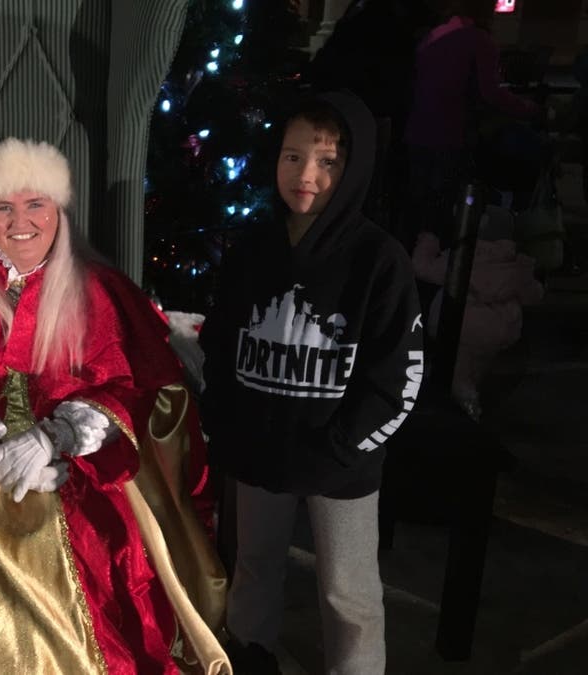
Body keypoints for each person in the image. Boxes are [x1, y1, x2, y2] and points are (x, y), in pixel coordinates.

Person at [0, 138, 227, 674]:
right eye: (4, 207)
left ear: (58, 209)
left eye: (36, 204)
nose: (20, 222)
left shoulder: (98, 287)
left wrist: (58, 436)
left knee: (90, 549)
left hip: (79, 468)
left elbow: (134, 383)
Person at [200, 93, 423, 675]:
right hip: (259, 453)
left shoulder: (379, 260)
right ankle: (250, 656)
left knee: (348, 590)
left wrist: (343, 447)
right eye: (293, 156)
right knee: (254, 564)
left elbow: (397, 375)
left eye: (327, 162)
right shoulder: (252, 249)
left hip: (341, 463)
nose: (306, 175)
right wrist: (225, 424)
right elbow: (220, 343)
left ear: (354, 169)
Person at [403, 0, 542, 248]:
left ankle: (414, 259)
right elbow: (490, 93)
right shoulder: (478, 40)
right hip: (451, 133)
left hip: (417, 131)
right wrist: (530, 109)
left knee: (420, 207)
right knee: (446, 210)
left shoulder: (434, 36)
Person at [412, 209, 543, 419]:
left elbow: (422, 268)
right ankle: (469, 393)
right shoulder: (516, 265)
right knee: (477, 364)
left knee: (460, 366)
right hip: (500, 329)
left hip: (460, 324)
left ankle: (464, 402)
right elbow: (533, 295)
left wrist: (428, 242)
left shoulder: (461, 256)